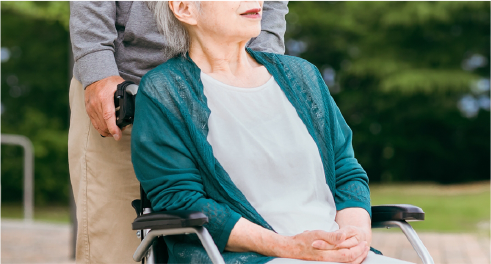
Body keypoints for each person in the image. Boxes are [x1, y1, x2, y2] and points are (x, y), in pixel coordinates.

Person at [132, 2, 414, 264]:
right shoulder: (164, 93)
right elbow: (183, 201)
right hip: (253, 257)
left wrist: (353, 239)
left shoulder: (303, 76)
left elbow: (346, 173)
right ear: (184, 8)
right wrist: (290, 247)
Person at [68, 1, 288, 263]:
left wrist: (259, 65)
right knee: (117, 250)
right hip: (128, 93)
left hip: (228, 88)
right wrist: (97, 68)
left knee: (232, 242)